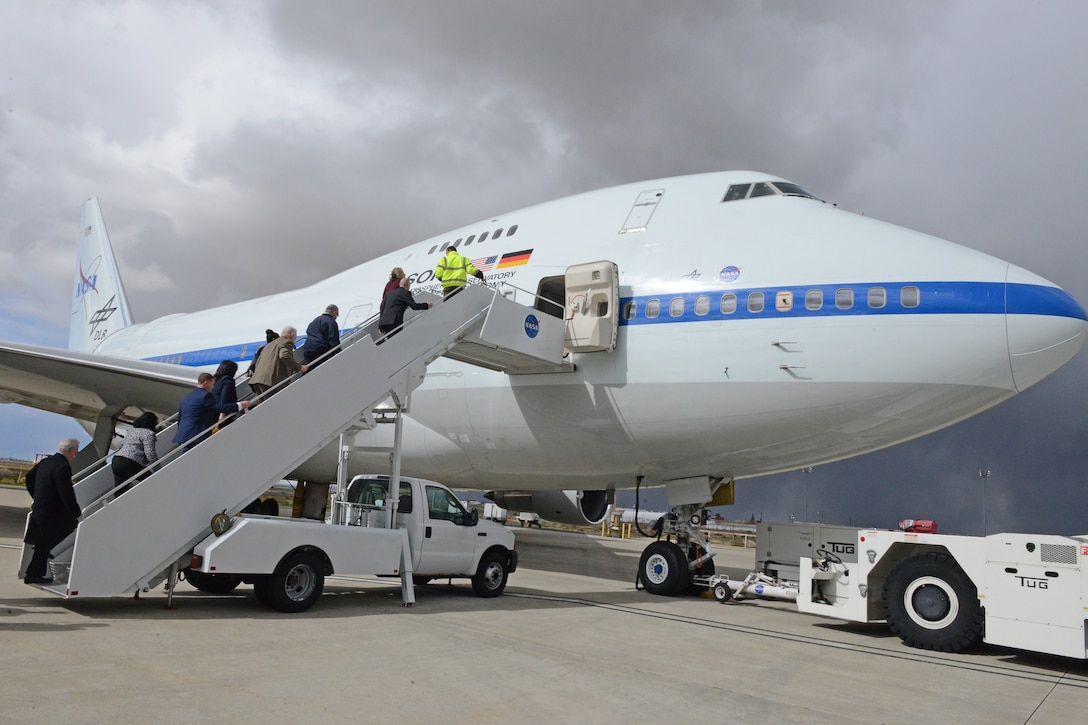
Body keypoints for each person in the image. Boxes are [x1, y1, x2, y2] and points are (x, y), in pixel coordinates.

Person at [23, 438, 82, 584]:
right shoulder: (63, 467)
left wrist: (36, 496)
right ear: (70, 450)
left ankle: (34, 573)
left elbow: (29, 477)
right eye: (76, 451)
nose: (76, 454)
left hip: (40, 508)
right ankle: (34, 574)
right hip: (52, 513)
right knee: (64, 531)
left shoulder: (46, 462)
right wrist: (75, 512)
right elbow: (66, 492)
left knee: (43, 544)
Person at [173, 372, 250, 447]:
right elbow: (220, 407)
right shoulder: (205, 396)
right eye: (212, 384)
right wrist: (240, 405)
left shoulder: (187, 397)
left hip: (184, 435)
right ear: (206, 383)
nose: (213, 387)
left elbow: (180, 417)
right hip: (197, 436)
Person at [249, 325, 308, 395]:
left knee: (264, 405)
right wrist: (299, 368)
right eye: (295, 337)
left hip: (257, 380)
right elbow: (284, 356)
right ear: (292, 336)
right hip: (270, 382)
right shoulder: (286, 342)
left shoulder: (269, 345)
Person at [111, 412, 159, 496]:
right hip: (130, 461)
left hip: (116, 460)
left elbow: (120, 445)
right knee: (151, 480)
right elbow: (150, 452)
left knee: (120, 489)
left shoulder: (131, 431)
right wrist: (157, 468)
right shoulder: (149, 434)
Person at [212, 359, 240, 427]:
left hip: (214, 411)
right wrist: (223, 413)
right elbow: (225, 397)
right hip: (222, 412)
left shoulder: (216, 380)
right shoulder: (228, 381)